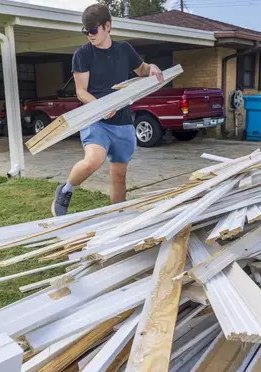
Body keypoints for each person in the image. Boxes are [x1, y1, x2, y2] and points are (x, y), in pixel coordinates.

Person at [51, 3, 164, 216]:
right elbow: (81, 91)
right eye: (86, 31)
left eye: (93, 30)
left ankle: (116, 219)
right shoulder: (83, 54)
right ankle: (66, 189)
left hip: (122, 122)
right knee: (93, 160)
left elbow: (142, 70)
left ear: (107, 26)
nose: (89, 35)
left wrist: (153, 68)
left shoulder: (124, 50)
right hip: (96, 119)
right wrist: (101, 107)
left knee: (119, 177)